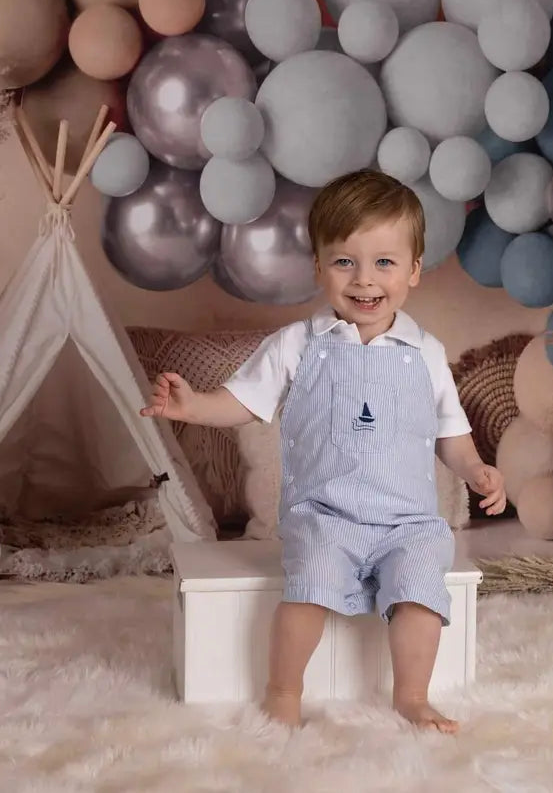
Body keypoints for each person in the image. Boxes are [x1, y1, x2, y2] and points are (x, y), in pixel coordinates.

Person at [141, 169, 506, 733]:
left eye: (384, 262)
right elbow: (242, 401)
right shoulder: (298, 344)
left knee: (419, 598)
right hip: (324, 516)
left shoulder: (426, 353)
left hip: (407, 521)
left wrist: (477, 469)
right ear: (318, 266)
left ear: (413, 271)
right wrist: (193, 407)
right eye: (344, 262)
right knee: (307, 590)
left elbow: (449, 435)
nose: (364, 280)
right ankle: (284, 691)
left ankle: (412, 697)